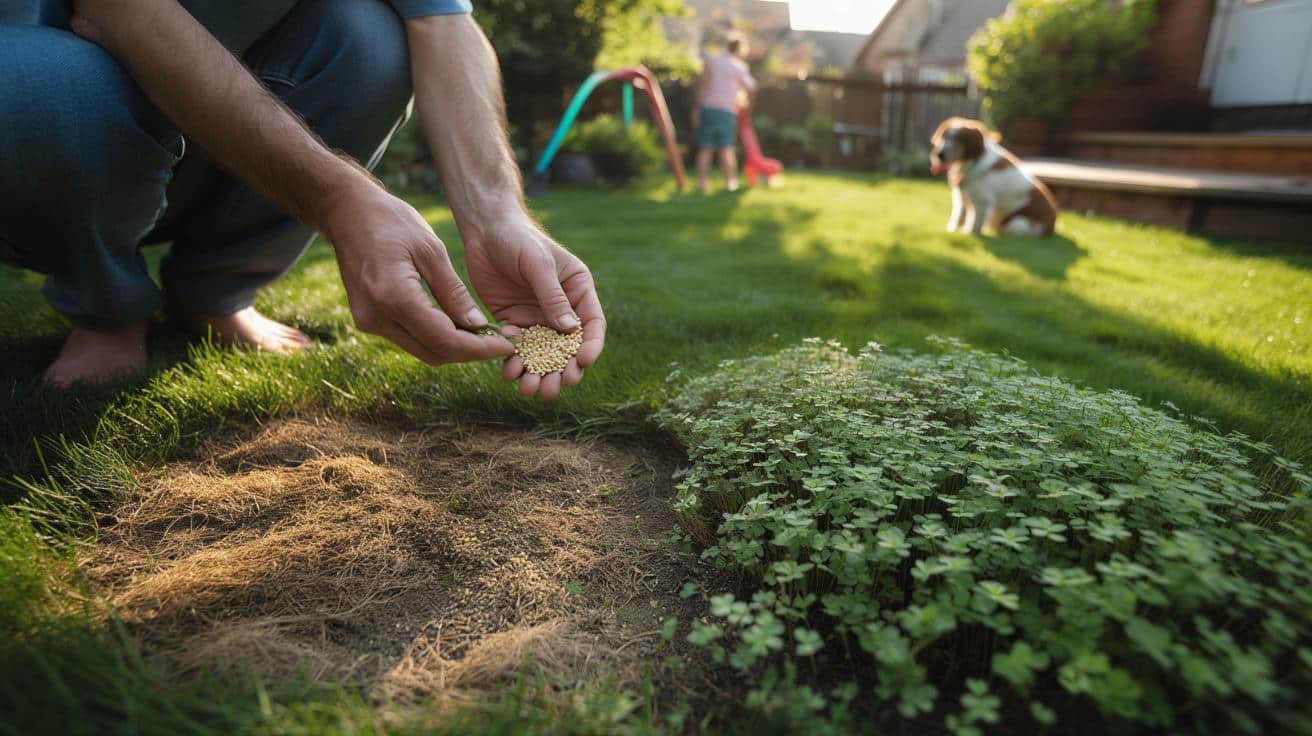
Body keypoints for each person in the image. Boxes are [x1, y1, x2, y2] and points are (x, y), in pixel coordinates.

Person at [0, 0, 604, 402]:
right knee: (51, 86)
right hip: (50, 114)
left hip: (199, 136)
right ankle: (107, 308)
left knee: (371, 35)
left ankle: (214, 291)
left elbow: (442, 20)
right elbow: (118, 13)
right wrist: (340, 197)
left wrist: (497, 216)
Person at [692, 36, 756, 194]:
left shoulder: (712, 61)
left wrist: (697, 108)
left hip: (708, 109)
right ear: (741, 50)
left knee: (705, 149)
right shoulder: (739, 66)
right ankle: (730, 183)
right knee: (727, 149)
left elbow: (702, 85)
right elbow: (752, 87)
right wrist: (748, 107)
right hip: (727, 112)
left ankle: (702, 184)